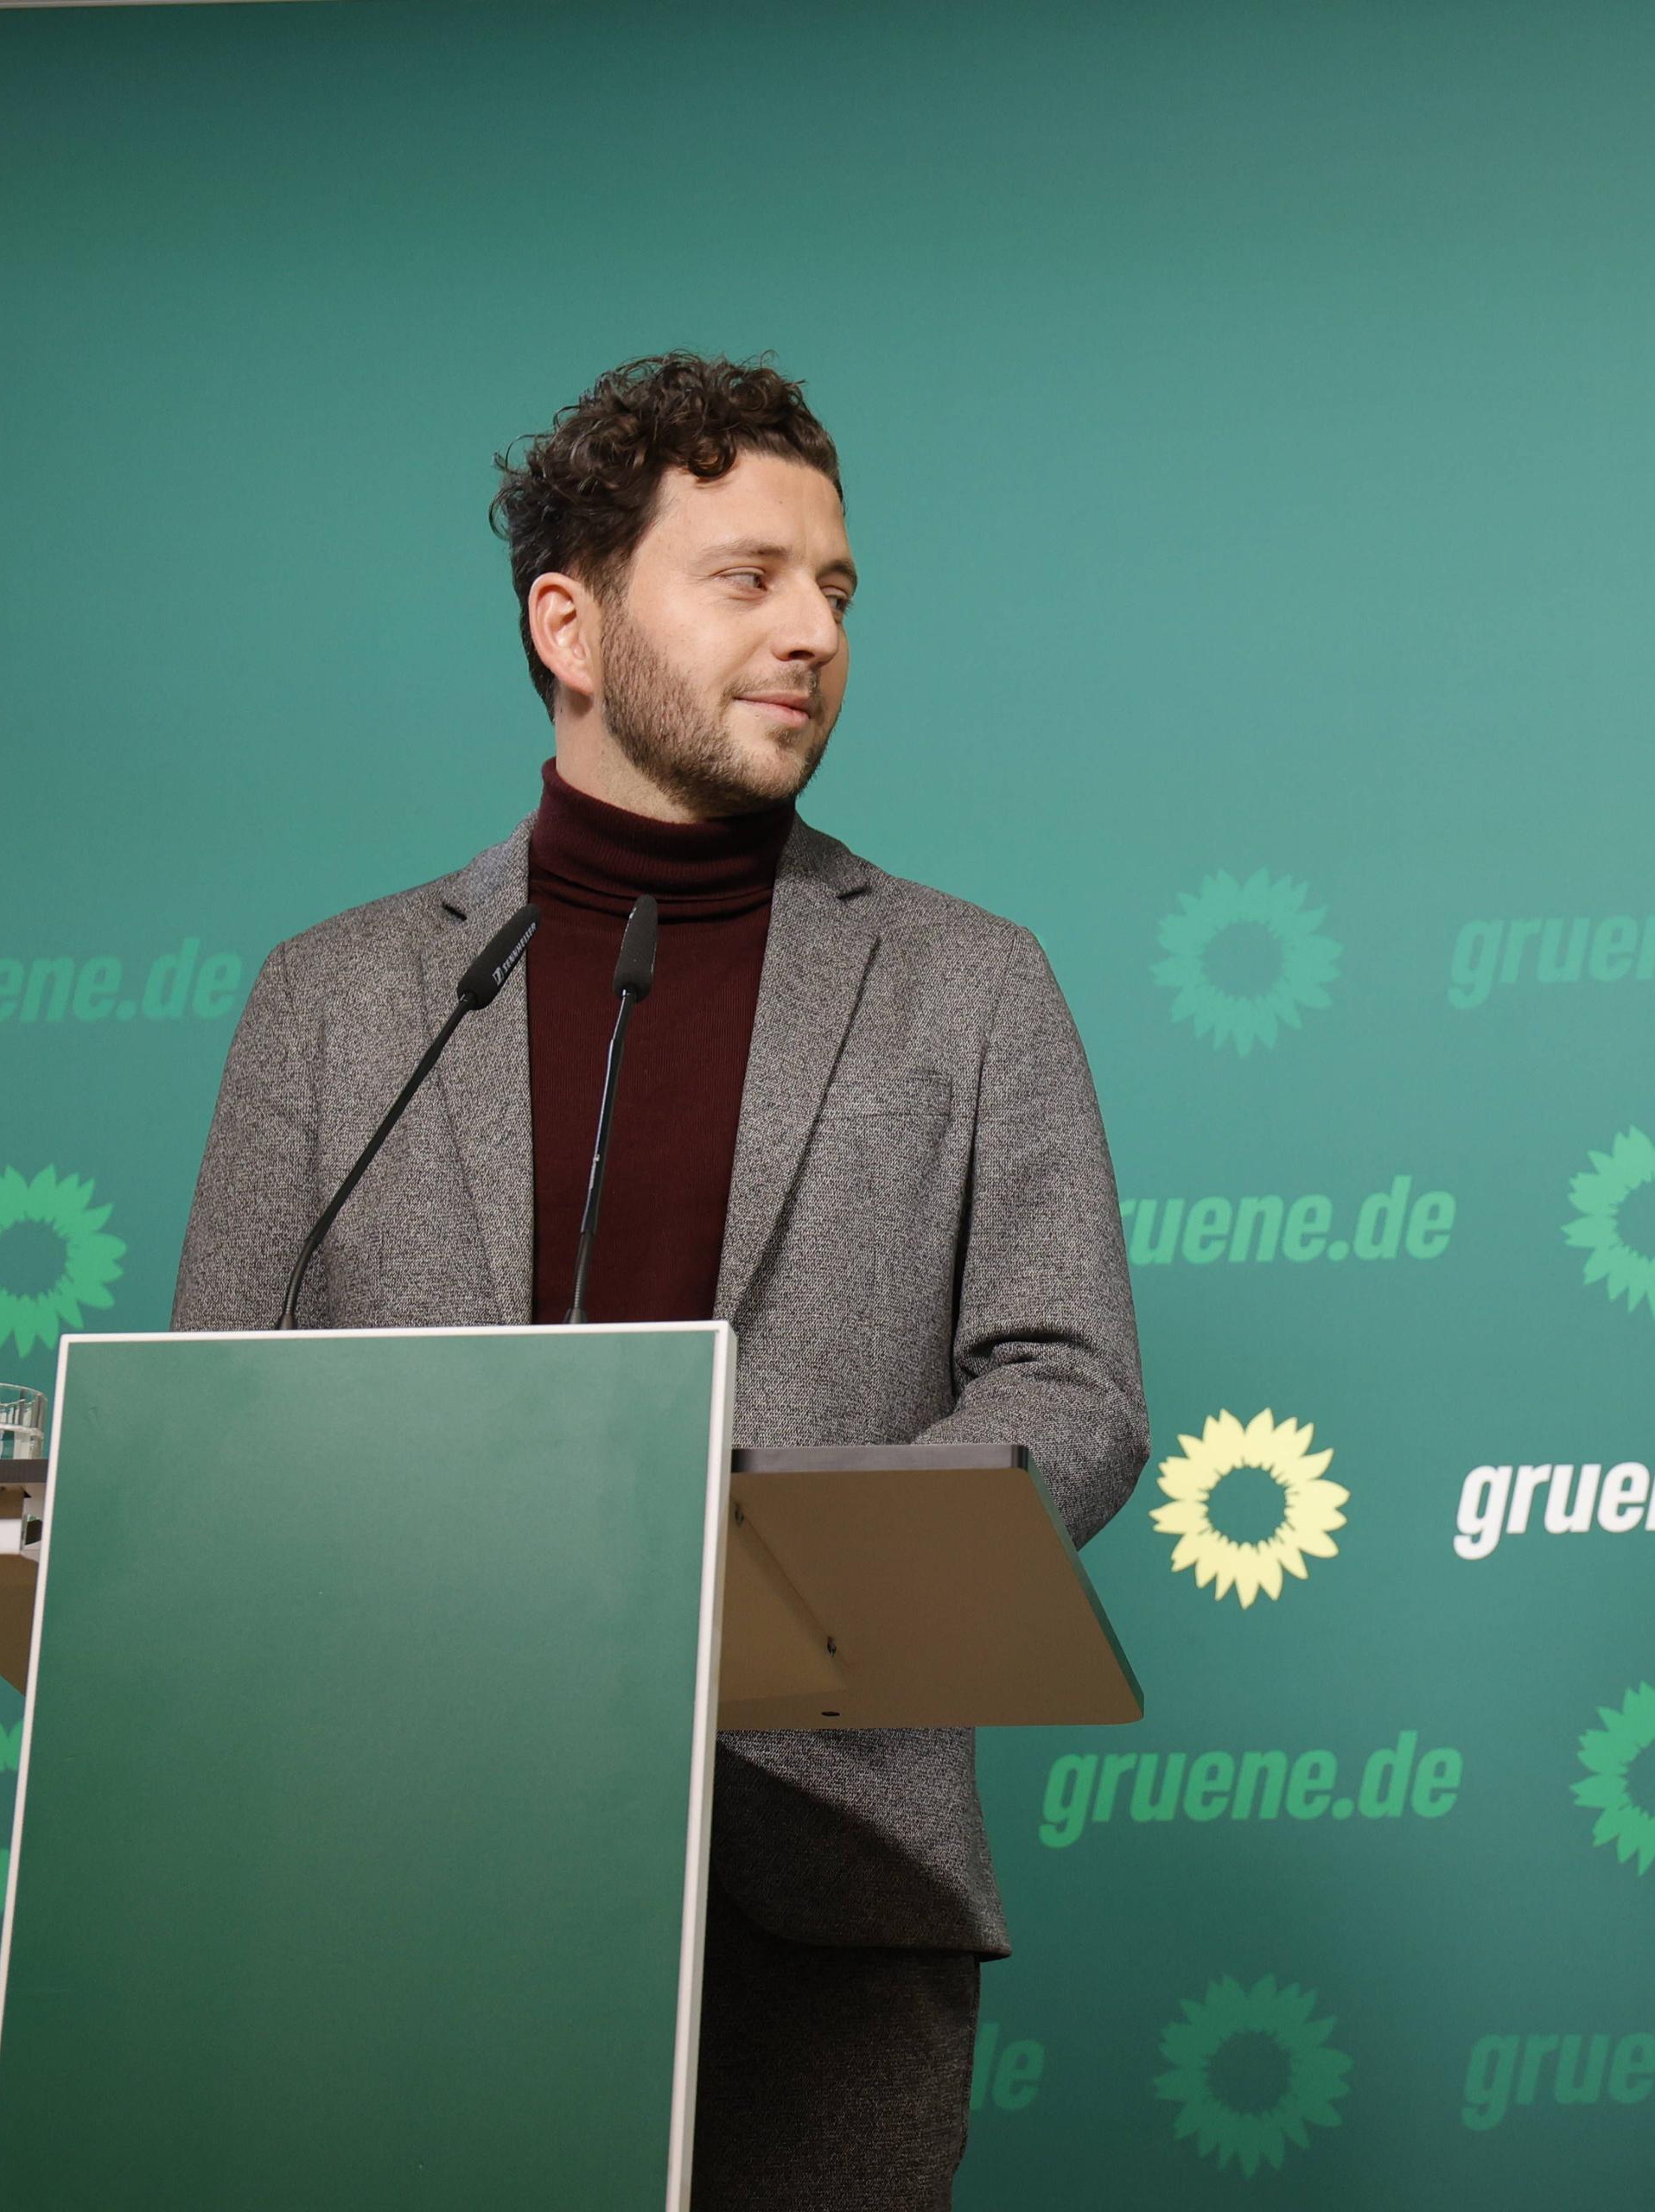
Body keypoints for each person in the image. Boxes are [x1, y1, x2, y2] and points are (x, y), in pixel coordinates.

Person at [171, 353, 1146, 2209]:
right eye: (748, 576)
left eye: (838, 591)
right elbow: (211, 1423)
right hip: (390, 1876)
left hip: (821, 1876)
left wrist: (762, 1559)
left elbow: (1070, 1383)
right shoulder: (337, 1001)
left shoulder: (971, 982)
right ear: (571, 621)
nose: (811, 633)